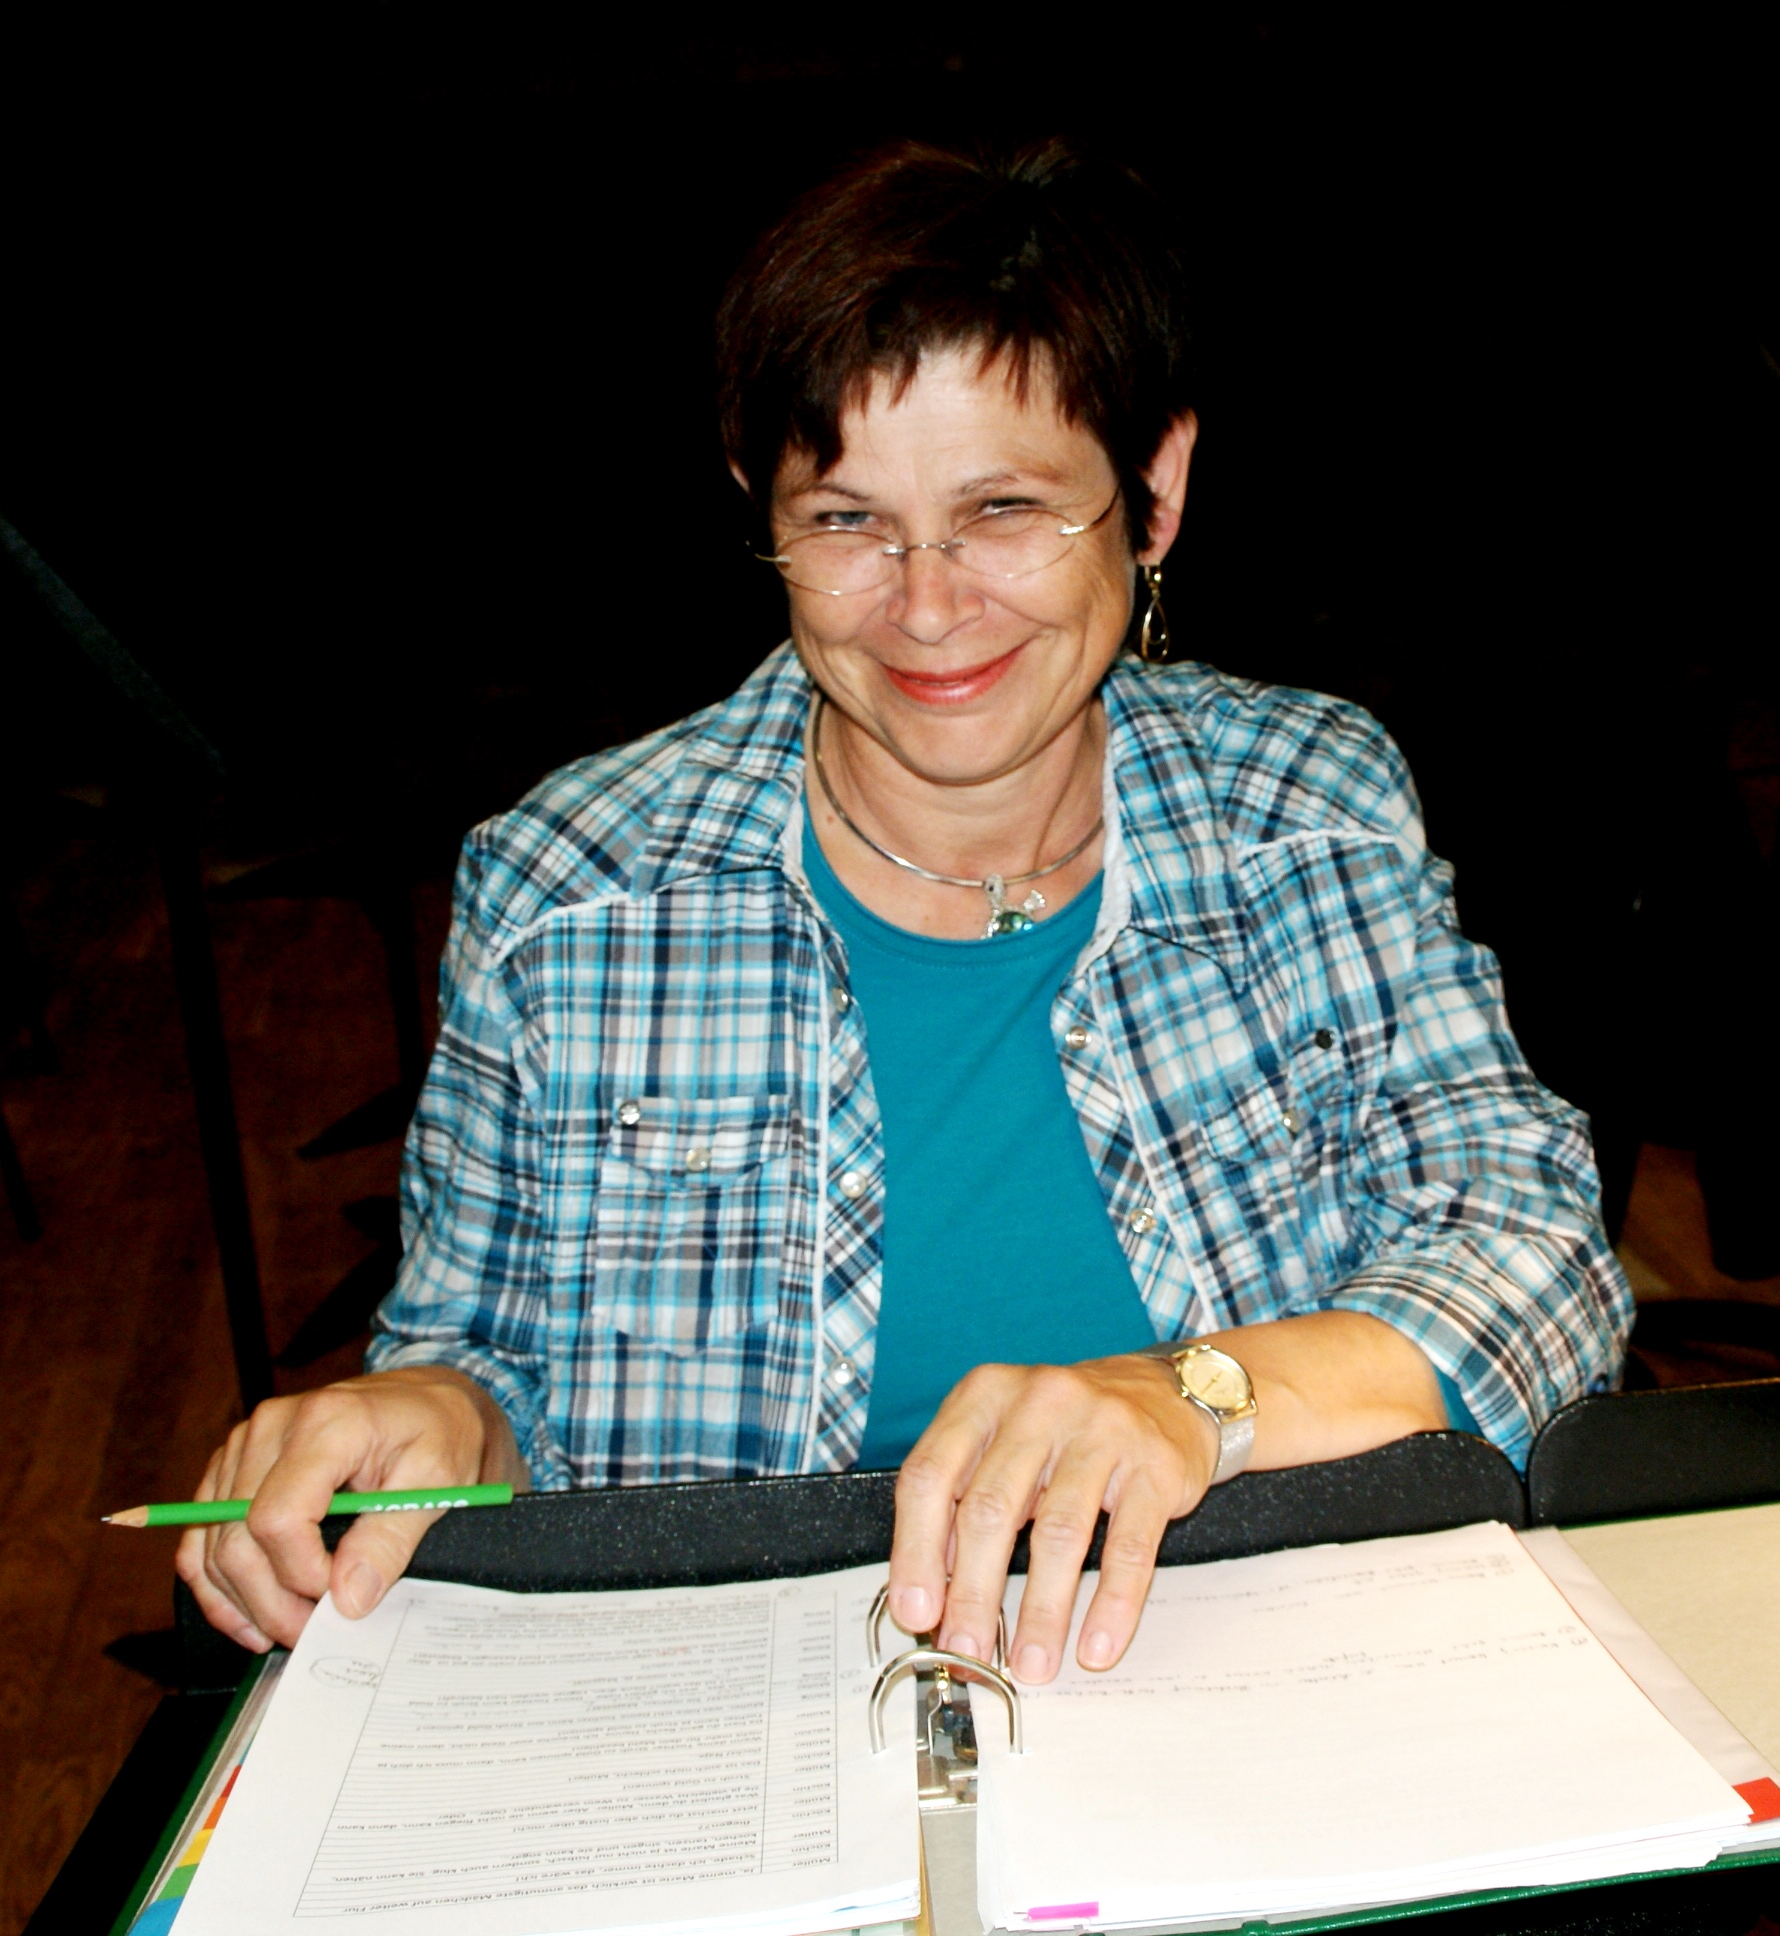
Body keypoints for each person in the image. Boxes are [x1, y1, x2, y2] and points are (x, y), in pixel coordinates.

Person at [180, 138, 1630, 1689]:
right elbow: (482, 1369)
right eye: (846, 521)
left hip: (1250, 1690)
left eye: (1002, 509)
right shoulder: (570, 897)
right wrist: (432, 1420)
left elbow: (1540, 1264)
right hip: (735, 1724)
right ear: (760, 510)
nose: (927, 606)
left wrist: (1194, 1395)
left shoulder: (1306, 811)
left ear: (1153, 494)